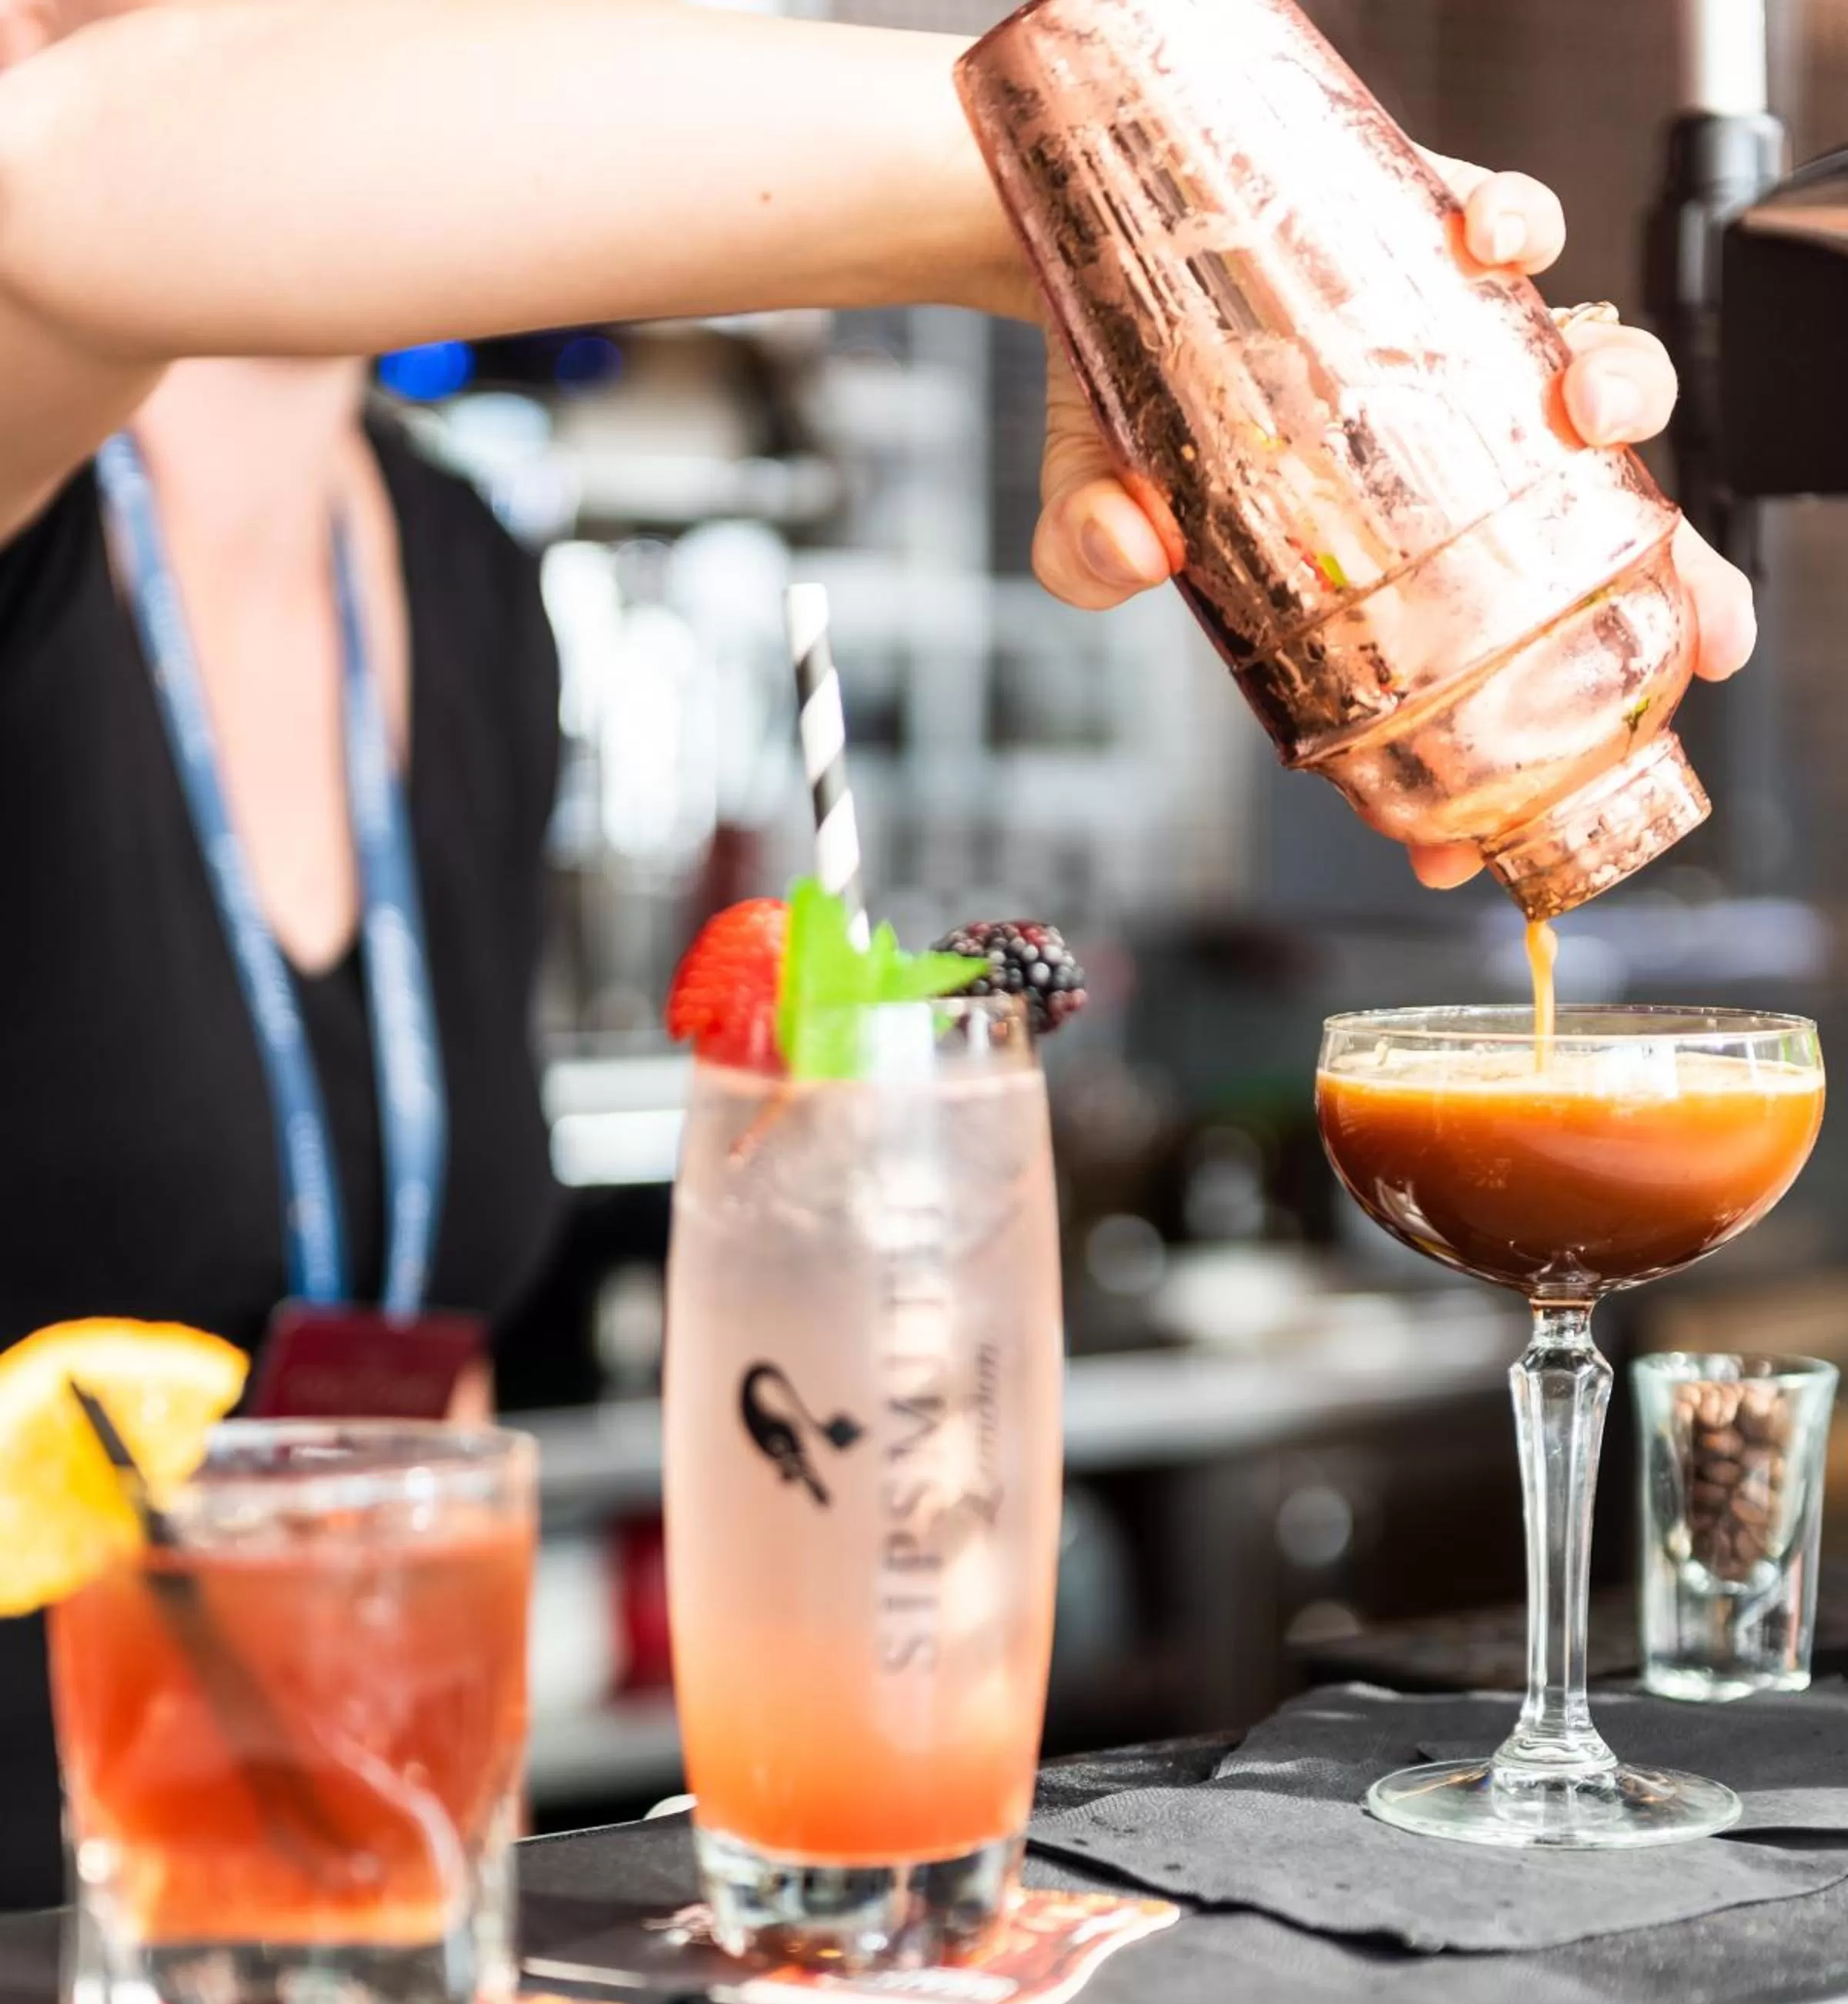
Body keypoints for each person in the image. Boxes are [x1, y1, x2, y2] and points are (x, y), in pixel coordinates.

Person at [0, 0, 1753, 1908]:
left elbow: (423, 1375)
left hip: (368, 1940)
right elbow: (63, 181)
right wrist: (1098, 175)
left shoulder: (457, 579)